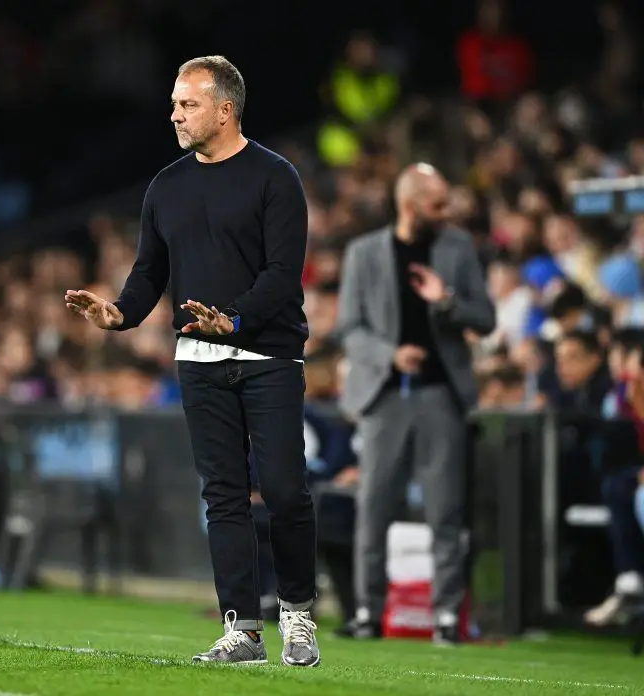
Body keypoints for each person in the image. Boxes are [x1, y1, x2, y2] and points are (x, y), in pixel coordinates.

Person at [65, 56, 319, 667]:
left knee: (285, 491)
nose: (175, 114)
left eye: (187, 104)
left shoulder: (275, 177)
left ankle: (298, 614)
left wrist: (234, 319)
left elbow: (284, 275)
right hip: (198, 359)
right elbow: (150, 271)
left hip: (267, 354)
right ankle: (243, 629)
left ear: (225, 109)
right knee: (224, 496)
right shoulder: (166, 185)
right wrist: (119, 315)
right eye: (176, 103)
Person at [336, 163, 495, 645]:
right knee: (374, 510)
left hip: (441, 395)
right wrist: (391, 355)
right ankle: (368, 611)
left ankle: (448, 615)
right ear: (410, 205)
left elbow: (485, 318)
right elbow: (350, 328)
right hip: (384, 397)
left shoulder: (458, 248)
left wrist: (445, 299)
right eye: (438, 203)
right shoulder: (364, 253)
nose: (447, 211)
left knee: (445, 510)